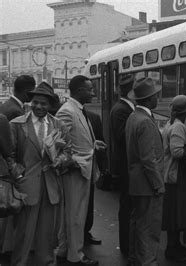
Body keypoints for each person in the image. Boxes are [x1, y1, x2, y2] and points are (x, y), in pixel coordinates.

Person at [9, 82, 70, 265]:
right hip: (27, 187)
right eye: (35, 102)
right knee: (24, 234)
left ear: (50, 105)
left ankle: (47, 262)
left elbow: (68, 152)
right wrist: (18, 176)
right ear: (30, 102)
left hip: (51, 186)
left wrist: (60, 160)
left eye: (44, 104)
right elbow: (8, 156)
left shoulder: (58, 125)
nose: (39, 106)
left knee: (47, 233)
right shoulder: (17, 125)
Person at [56, 75, 105, 265]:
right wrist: (75, 161)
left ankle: (63, 249)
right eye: (90, 89)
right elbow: (59, 144)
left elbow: (75, 137)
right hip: (75, 171)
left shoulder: (78, 110)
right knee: (76, 215)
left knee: (72, 213)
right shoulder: (67, 111)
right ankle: (76, 256)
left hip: (81, 169)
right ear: (78, 91)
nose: (93, 92)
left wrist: (93, 144)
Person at [125, 77, 165, 266]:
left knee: (137, 222)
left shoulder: (133, 117)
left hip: (136, 182)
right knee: (149, 227)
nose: (157, 98)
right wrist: (158, 184)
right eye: (155, 95)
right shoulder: (146, 122)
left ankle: (136, 258)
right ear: (149, 99)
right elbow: (149, 159)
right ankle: (148, 261)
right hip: (148, 184)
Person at [162, 95, 186, 262]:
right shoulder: (178, 127)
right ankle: (172, 248)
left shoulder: (170, 124)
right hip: (177, 176)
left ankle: (175, 245)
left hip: (172, 176)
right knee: (177, 214)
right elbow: (177, 152)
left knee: (174, 214)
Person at [110, 74, 135, 256]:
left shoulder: (126, 108)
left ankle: (129, 244)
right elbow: (121, 136)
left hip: (128, 163)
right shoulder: (121, 109)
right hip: (126, 164)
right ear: (131, 91)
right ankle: (127, 246)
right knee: (127, 206)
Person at [83, 110, 104, 246]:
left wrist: (103, 166)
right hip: (79, 169)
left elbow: (100, 140)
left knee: (89, 202)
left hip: (91, 168)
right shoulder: (67, 112)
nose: (91, 92)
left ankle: (86, 232)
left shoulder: (94, 117)